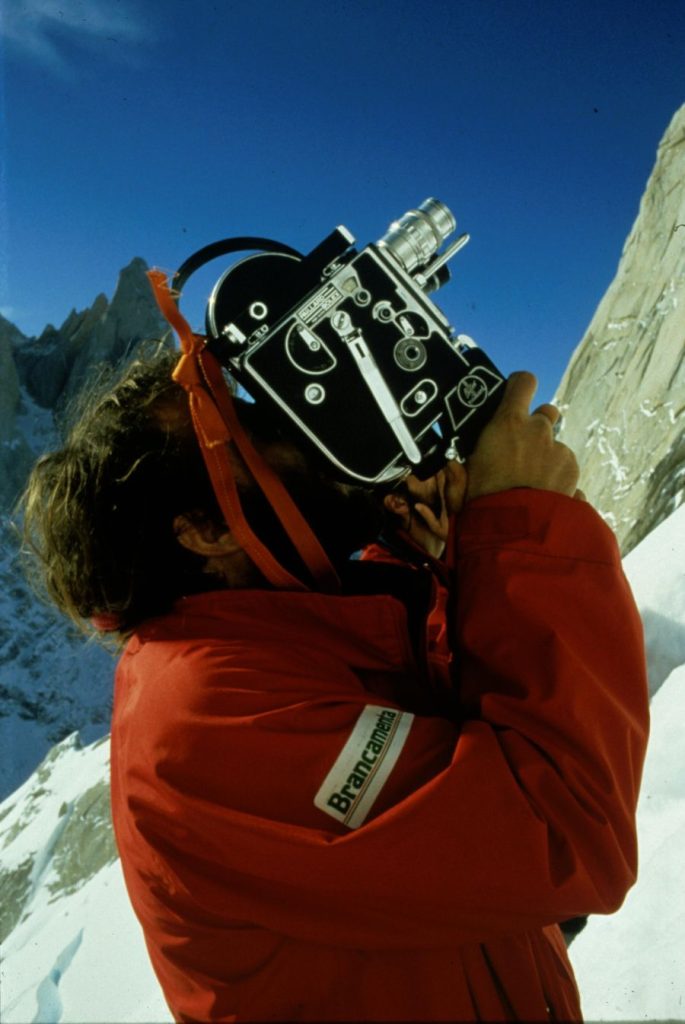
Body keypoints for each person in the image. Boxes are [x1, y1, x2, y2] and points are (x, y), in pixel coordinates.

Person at [21, 343, 649, 1023]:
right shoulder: (207, 719)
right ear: (204, 531)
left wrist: (437, 567)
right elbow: (560, 831)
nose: (297, 432)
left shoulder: (287, 638)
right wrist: (520, 522)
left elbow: (440, 764)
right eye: (253, 434)